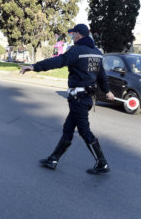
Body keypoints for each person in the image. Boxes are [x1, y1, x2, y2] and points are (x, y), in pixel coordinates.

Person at [20, 24, 115, 175]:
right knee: (68, 129)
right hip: (87, 98)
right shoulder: (97, 53)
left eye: (72, 34)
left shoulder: (76, 51)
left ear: (78, 34)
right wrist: (107, 91)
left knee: (84, 131)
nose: (72, 37)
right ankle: (53, 159)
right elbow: (101, 75)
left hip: (79, 99)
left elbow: (58, 61)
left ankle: (102, 163)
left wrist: (34, 67)